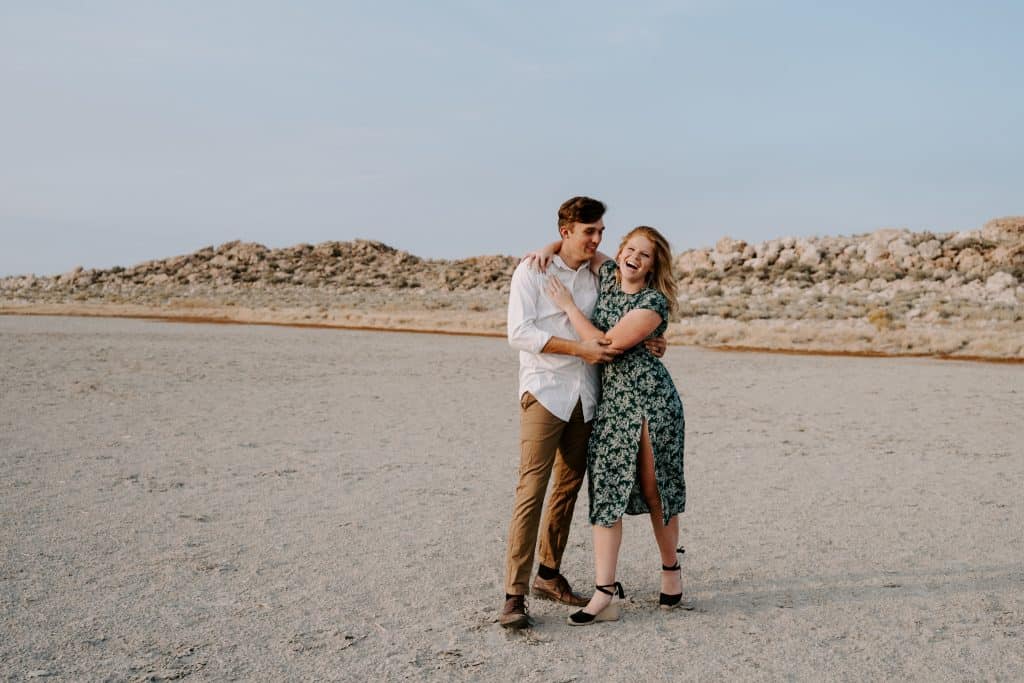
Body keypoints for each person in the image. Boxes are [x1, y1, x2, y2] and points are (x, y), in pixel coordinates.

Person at [501, 197, 666, 629]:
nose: (596, 239)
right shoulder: (533, 270)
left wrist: (655, 340)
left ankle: (549, 575)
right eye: (587, 232)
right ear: (565, 231)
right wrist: (579, 348)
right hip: (545, 391)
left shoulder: (600, 271)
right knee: (531, 489)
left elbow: (634, 288)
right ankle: (513, 596)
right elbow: (519, 334)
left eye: (600, 231)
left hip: (587, 396)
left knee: (568, 489)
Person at [534, 226, 686, 625]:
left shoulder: (653, 302)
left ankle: (671, 572)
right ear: (620, 252)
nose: (634, 257)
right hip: (613, 406)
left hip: (651, 404)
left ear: (654, 266)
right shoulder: (606, 274)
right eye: (630, 249)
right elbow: (581, 247)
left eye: (645, 254)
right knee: (605, 491)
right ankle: (605, 595)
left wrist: (568, 307)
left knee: (655, 489)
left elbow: (606, 347)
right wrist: (549, 246)